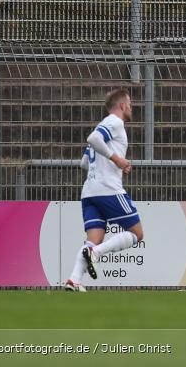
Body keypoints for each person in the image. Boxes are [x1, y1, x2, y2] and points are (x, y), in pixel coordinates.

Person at [64, 88, 143, 292]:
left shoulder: (104, 126)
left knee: (93, 240)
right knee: (136, 233)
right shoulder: (114, 122)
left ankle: (74, 280)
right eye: (130, 104)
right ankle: (96, 254)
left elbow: (84, 163)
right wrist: (117, 160)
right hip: (108, 189)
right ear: (122, 105)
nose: (131, 108)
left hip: (89, 191)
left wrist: (113, 163)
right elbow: (93, 139)